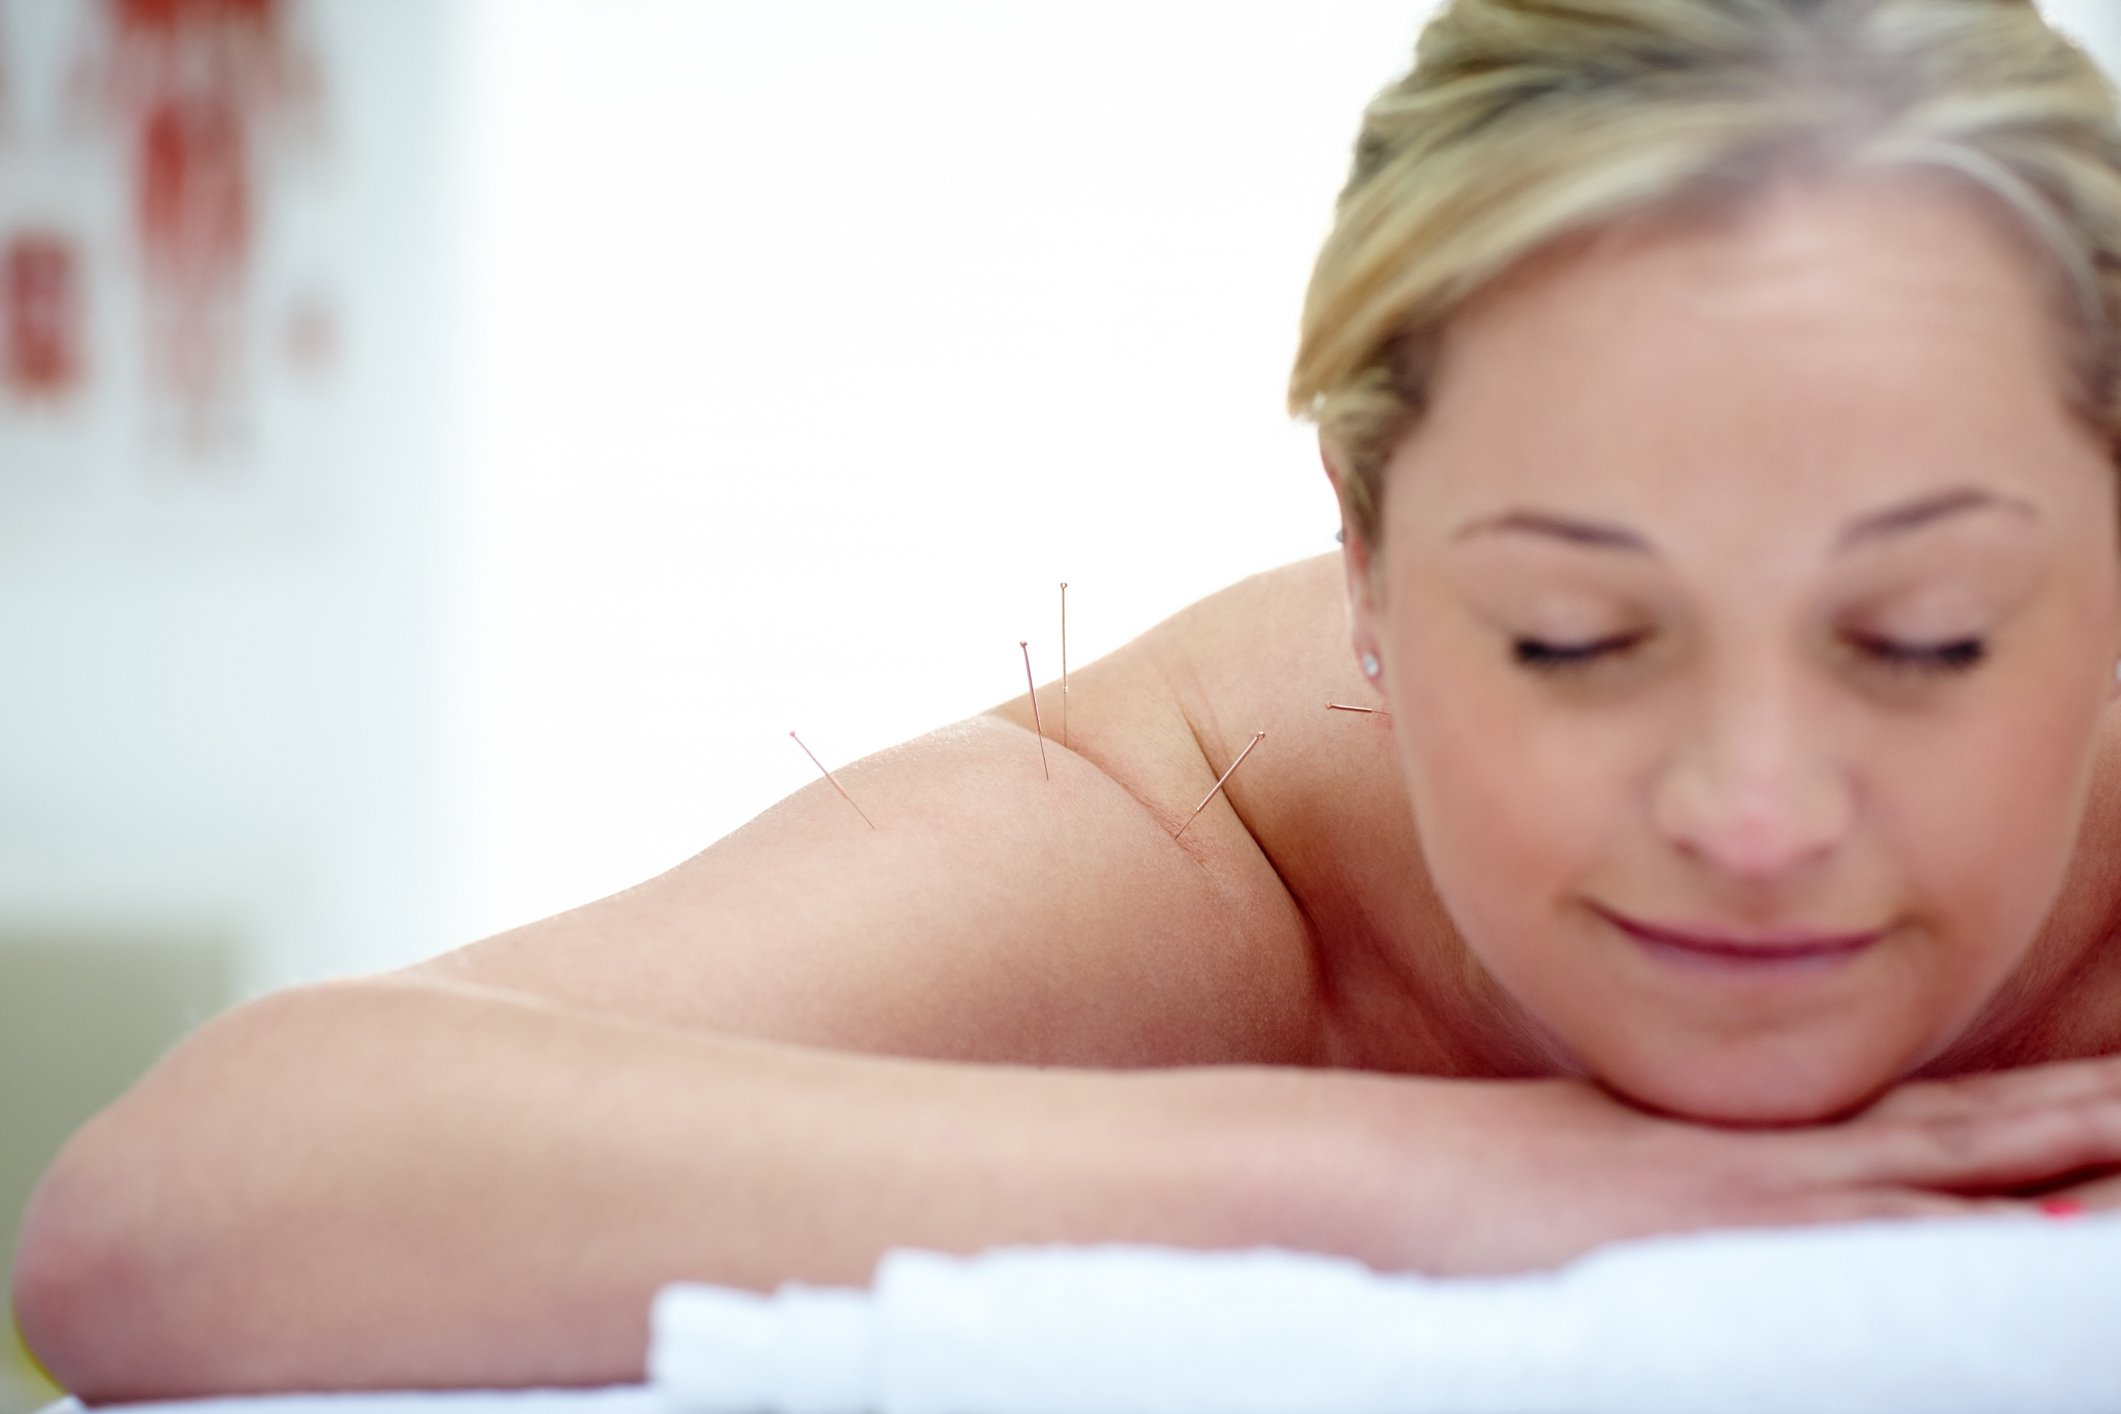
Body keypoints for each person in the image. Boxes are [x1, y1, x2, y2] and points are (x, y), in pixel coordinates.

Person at [18, 0, 2121, 1400]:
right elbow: (168, 1220)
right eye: (1573, 638)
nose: (1752, 809)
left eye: (1922, 636)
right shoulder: (1231, 820)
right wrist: (1423, 1183)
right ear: (1364, 570)